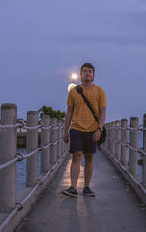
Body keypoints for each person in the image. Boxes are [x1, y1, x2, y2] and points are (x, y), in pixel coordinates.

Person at [61, 63, 107, 197]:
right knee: (76, 156)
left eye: (90, 71)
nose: (87, 73)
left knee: (89, 157)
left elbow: (103, 112)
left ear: (94, 75)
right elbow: (69, 112)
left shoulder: (100, 91)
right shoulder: (73, 91)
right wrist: (65, 131)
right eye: (85, 71)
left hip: (93, 129)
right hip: (76, 128)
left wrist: (99, 129)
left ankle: (86, 187)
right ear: (81, 74)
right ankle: (73, 187)